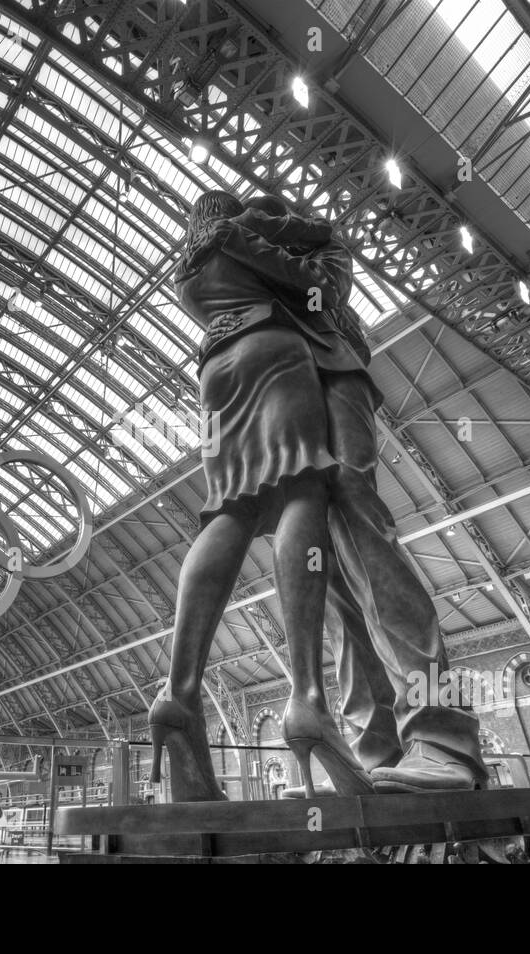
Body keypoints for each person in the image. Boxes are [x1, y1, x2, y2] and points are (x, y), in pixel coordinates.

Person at [218, 195, 486, 794]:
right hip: (282, 387)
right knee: (332, 575)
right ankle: (376, 751)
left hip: (336, 378)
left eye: (272, 220)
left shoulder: (322, 251)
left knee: (361, 523)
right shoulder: (258, 271)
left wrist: (245, 230)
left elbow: (319, 286)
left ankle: (444, 740)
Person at [153, 190, 373, 801]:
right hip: (271, 352)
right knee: (301, 485)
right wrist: (292, 230)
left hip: (213, 376)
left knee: (230, 507)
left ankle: (178, 693)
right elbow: (314, 289)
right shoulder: (244, 238)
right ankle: (307, 699)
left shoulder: (192, 262)